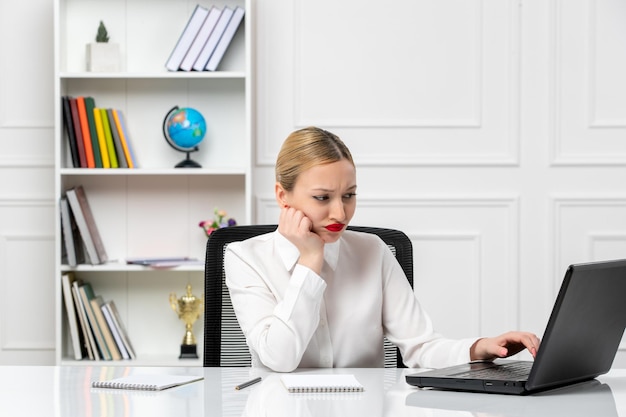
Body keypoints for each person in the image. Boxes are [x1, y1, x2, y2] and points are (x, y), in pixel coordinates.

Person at [225, 126, 540, 372]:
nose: (340, 213)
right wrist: (309, 261)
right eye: (322, 198)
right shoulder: (246, 258)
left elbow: (421, 347)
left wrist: (480, 348)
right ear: (283, 196)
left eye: (349, 195)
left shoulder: (372, 251)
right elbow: (279, 359)